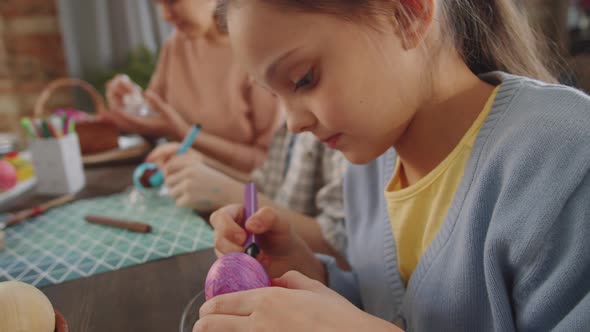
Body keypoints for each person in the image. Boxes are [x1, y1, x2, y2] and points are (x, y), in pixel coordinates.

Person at [198, 0, 590, 331]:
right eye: (273, 95)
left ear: (408, 14)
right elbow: (387, 306)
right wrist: (309, 273)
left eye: (303, 79)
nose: (292, 123)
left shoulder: (565, 156)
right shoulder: (368, 166)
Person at [103, 0, 280, 172]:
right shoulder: (177, 44)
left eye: (173, 2)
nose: (165, 16)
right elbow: (154, 118)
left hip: (241, 193)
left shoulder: (256, 53)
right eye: (158, 4)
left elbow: (268, 164)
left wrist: (183, 132)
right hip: (179, 182)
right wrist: (130, 104)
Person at [147, 123, 349, 262]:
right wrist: (205, 165)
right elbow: (264, 183)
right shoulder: (288, 123)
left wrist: (227, 193)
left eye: (305, 80)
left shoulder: (336, 130)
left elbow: (340, 245)